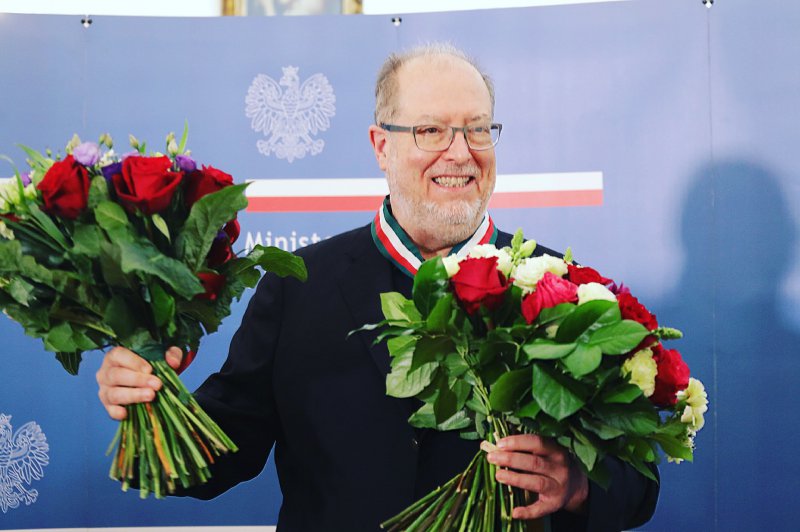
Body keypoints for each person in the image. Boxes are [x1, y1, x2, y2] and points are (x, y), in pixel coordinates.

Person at [96, 43, 658, 530]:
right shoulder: (297, 287)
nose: (460, 152)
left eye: (478, 128)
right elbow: (223, 454)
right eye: (431, 130)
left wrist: (578, 485)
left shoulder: (562, 285)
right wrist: (150, 405)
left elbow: (639, 483)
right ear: (381, 145)